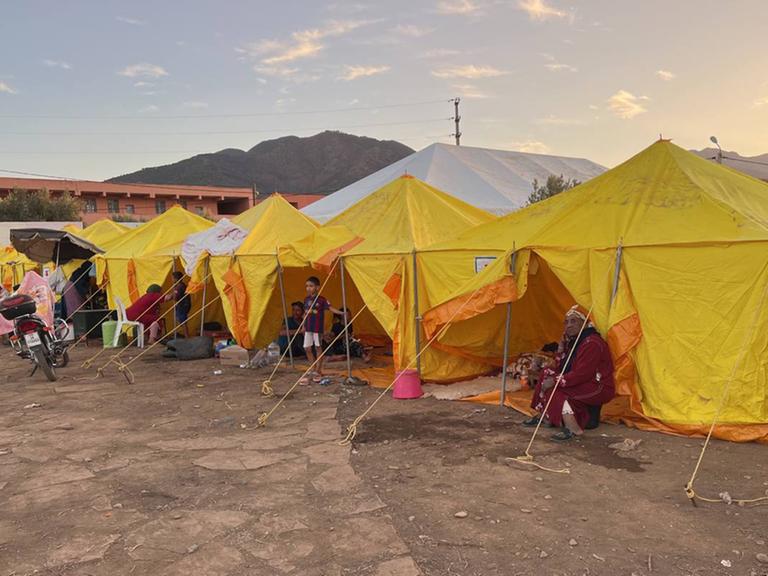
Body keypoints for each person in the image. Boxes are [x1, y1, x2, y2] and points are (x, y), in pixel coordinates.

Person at [523, 305, 615, 442]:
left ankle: (573, 428)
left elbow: (582, 374)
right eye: (566, 322)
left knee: (555, 389)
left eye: (573, 321)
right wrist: (561, 349)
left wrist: (555, 381)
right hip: (583, 381)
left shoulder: (592, 343)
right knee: (546, 373)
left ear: (584, 323)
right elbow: (562, 367)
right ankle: (545, 416)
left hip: (598, 386)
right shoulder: (575, 341)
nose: (569, 325)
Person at [303, 276, 346, 382]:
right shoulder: (306, 299)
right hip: (308, 328)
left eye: (311, 286)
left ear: (317, 287)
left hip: (317, 328)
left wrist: (341, 313)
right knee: (307, 348)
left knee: (318, 348)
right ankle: (312, 368)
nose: (308, 288)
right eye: (307, 286)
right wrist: (303, 325)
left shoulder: (322, 300)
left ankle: (318, 370)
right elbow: (305, 313)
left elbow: (330, 308)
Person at [172, 272, 192, 338]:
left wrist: (172, 295)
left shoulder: (179, 286)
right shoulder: (182, 285)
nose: (172, 279)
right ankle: (186, 336)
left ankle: (187, 336)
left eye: (172, 278)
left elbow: (175, 297)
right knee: (181, 320)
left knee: (182, 321)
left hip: (182, 305)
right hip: (185, 304)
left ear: (176, 278)